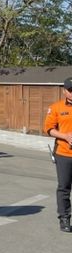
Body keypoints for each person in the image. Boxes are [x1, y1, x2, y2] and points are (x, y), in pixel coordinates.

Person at [44, 77, 72, 233]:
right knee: (64, 188)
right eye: (70, 90)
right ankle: (64, 218)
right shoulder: (56, 107)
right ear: (64, 91)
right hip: (64, 154)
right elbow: (48, 129)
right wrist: (65, 136)